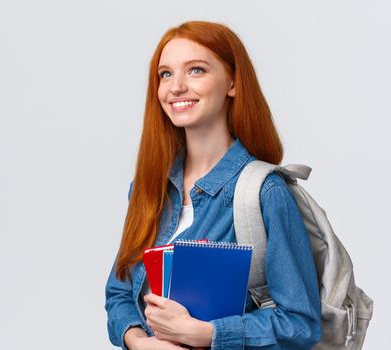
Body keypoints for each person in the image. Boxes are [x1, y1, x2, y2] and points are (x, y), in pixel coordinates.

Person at [105, 20, 321, 350]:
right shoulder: (147, 190)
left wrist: (207, 334)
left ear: (232, 82)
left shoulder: (265, 193)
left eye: (195, 70)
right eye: (165, 74)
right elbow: (119, 292)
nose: (175, 87)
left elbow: (301, 323)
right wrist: (138, 342)